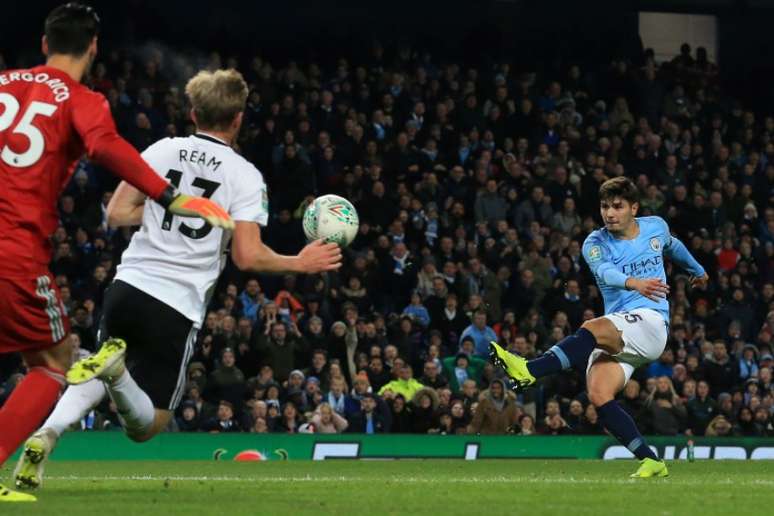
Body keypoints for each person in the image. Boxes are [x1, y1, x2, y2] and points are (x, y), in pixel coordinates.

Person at [14, 67, 342, 491]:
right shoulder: (244, 175)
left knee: (99, 361)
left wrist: (160, 211)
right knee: (148, 425)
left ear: (193, 113)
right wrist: (301, 262)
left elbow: (115, 214)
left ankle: (48, 434)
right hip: (176, 303)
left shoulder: (162, 150)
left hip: (127, 286)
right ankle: (115, 374)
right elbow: (247, 256)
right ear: (239, 118)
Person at [0, 4, 235, 502]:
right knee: (54, 363)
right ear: (94, 48)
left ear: (44, 44)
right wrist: (169, 195)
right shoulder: (82, 100)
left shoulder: (3, 81)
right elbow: (105, 147)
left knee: (45, 354)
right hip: (12, 251)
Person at [490, 176, 707, 478]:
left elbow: (673, 246)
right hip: (622, 333)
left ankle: (529, 370)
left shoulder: (655, 226)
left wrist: (698, 269)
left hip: (652, 322)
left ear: (634, 208)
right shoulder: (595, 243)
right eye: (605, 206)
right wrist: (635, 282)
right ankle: (651, 460)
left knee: (592, 327)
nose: (610, 213)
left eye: (617, 207)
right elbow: (604, 272)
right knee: (598, 393)